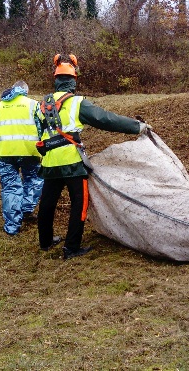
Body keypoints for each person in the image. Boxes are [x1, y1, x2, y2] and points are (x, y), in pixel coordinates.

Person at [35, 54, 151, 260]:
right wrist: (136, 126)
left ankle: (45, 242)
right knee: (79, 204)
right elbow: (105, 119)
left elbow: (39, 131)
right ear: (73, 81)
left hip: (50, 162)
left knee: (47, 203)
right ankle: (71, 248)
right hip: (72, 162)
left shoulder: (42, 105)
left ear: (56, 79)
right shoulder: (77, 103)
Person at [0, 80, 44, 236]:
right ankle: (27, 209)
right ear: (25, 90)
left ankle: (12, 226)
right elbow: (40, 127)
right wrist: (43, 149)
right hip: (29, 151)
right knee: (34, 179)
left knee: (10, 187)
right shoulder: (33, 104)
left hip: (4, 152)